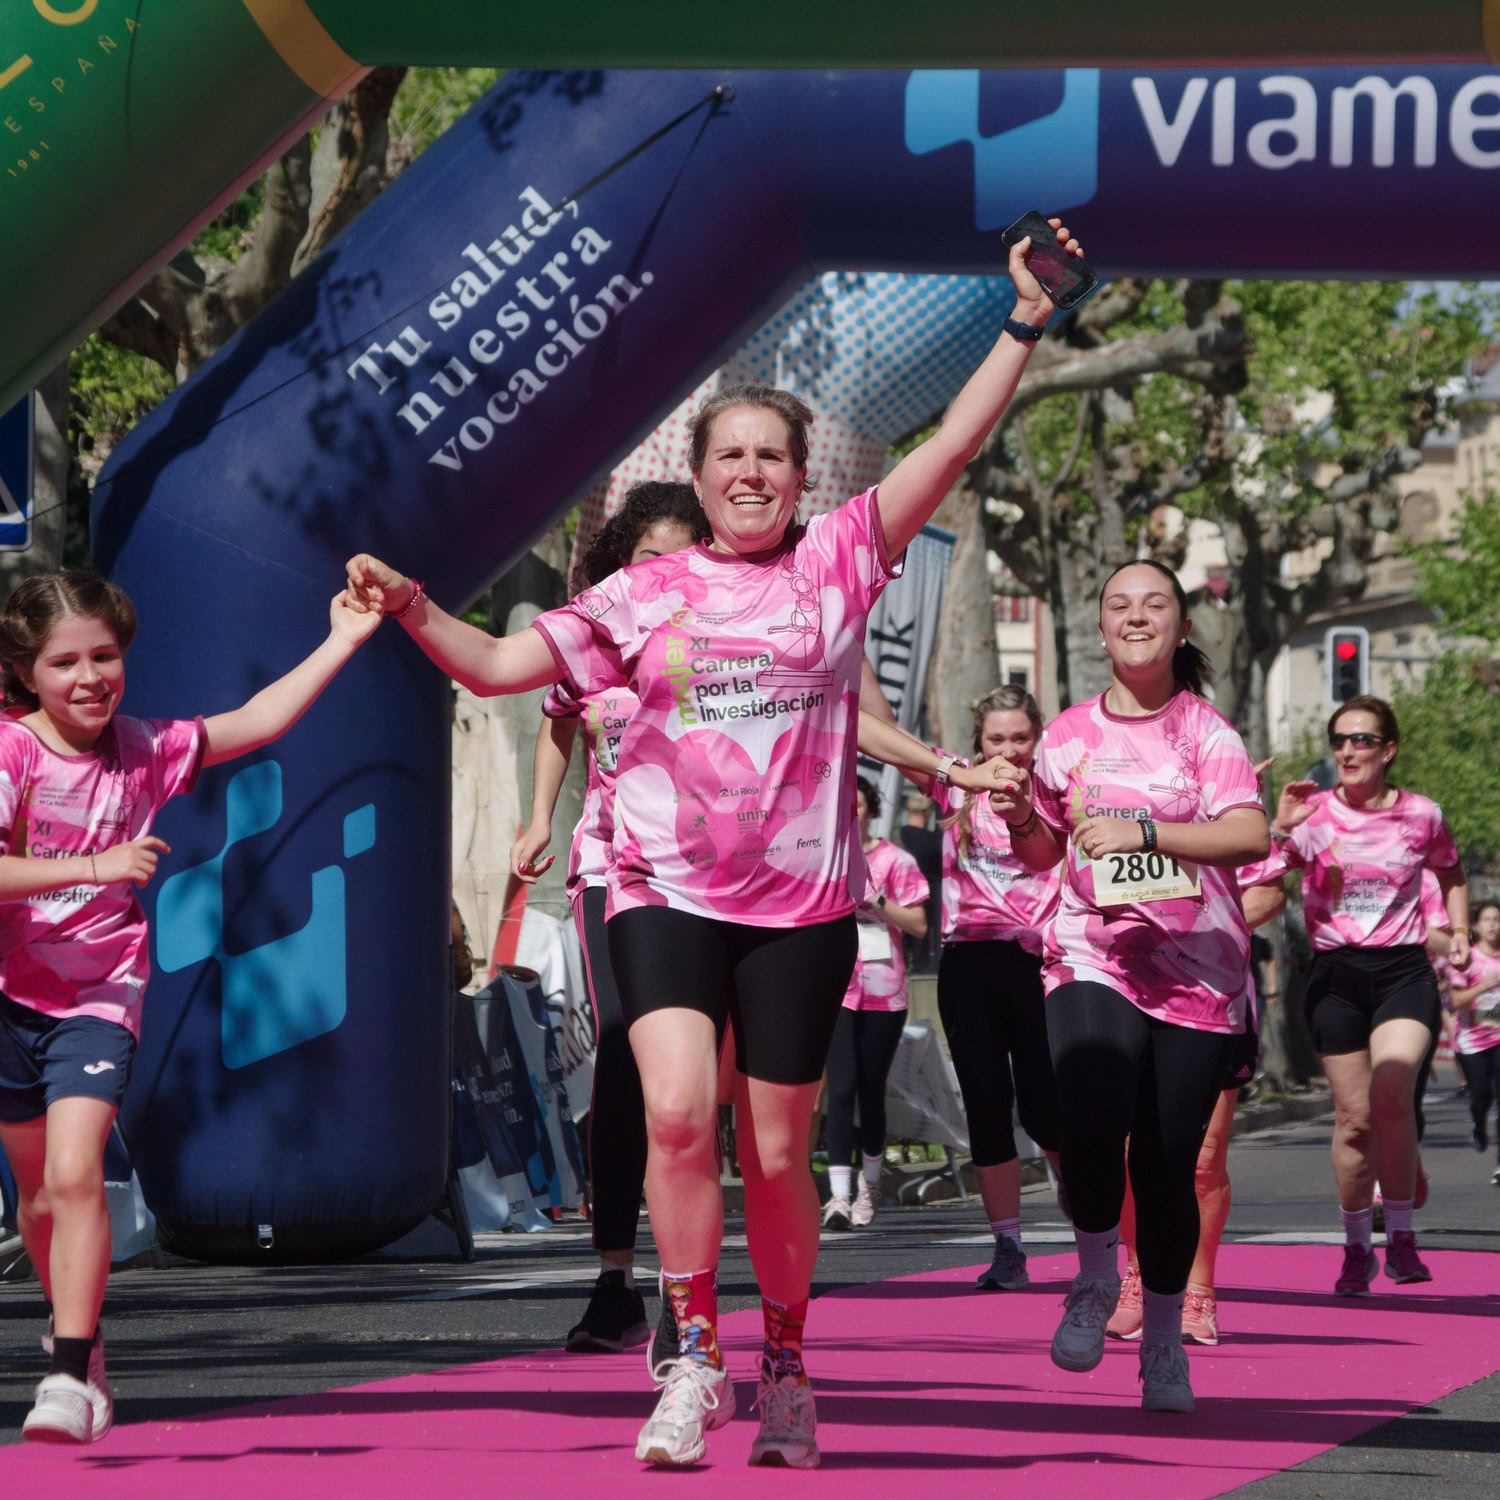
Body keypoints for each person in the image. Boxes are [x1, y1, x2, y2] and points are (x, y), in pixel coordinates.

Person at [344, 214, 1083, 1469]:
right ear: (700, 471)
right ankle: (693, 1358)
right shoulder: (645, 590)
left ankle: (785, 1364)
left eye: (771, 457)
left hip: (798, 906)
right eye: (729, 454)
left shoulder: (845, 562)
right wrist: (414, 605)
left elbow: (953, 441)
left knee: (779, 1147)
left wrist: (1023, 318)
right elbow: (509, 662)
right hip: (662, 888)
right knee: (680, 1116)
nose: (750, 473)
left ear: (803, 479)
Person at [0, 568, 377, 1445]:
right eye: (65, 663)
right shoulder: (13, 753)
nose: (90, 677)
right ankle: (82, 1345)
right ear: (25, 674)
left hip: (99, 993)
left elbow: (256, 721)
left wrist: (344, 642)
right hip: (11, 993)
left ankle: (63, 1370)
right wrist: (90, 868)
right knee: (37, 1199)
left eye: (105, 656)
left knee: (73, 1173)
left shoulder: (146, 746)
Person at [989, 558, 1269, 1416]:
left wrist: (1145, 828)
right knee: (1088, 1104)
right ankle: (1096, 1275)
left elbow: (1250, 834)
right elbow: (1043, 852)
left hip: (1198, 970)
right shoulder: (1068, 734)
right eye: (1119, 605)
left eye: (1155, 605)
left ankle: (1160, 1347)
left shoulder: (1206, 734)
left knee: (1166, 1164)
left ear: (1181, 630)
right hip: (1091, 953)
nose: (1136, 616)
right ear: (1101, 628)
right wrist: (1025, 819)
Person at [510, 482, 709, 1354]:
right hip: (614, 870)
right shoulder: (595, 643)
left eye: (677, 559)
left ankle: (688, 1283)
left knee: (699, 1091)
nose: (660, 575)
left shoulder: (728, 640)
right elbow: (557, 722)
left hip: (716, 879)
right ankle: (619, 1281)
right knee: (630, 1059)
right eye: (645, 560)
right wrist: (536, 819)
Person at [1271, 695, 1467, 1294]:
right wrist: (1279, 828)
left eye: (1361, 740)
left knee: (1390, 1092)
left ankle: (1402, 1241)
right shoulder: (1312, 813)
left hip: (1403, 971)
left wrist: (1458, 933)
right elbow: (1265, 874)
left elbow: (1451, 872)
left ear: (1388, 749)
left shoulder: (1422, 814)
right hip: (1334, 976)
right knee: (1355, 1121)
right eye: (1339, 740)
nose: (1347, 751)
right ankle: (1357, 1248)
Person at [1108, 854, 1286, 1345]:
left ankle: (1199, 1291)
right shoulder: (1107, 791)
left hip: (1213, 993)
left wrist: (1194, 925)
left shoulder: (1224, 793)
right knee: (1127, 1153)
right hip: (1129, 987)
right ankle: (1138, 1276)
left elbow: (1270, 893)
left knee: (1204, 1161)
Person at [931, 686, 1063, 1291]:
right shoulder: (954, 785)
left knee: (1046, 1107)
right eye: (995, 740)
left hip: (1040, 965)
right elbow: (877, 726)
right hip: (969, 965)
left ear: (1038, 738)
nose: (1008, 751)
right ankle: (1008, 1247)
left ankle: (1085, 1209)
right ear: (976, 744)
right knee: (986, 1106)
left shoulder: (1061, 791)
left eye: (1020, 738)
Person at [820, 774, 928, 1232]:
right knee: (839, 1089)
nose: (852, 813)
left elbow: (920, 925)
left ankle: (870, 1184)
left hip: (885, 990)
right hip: (837, 987)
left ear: (871, 809)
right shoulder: (823, 857)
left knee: (870, 1090)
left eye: (858, 805)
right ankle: (838, 1197)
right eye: (843, 806)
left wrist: (877, 900)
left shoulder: (896, 860)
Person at [1448, 901, 1500, 1186]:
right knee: (1481, 1096)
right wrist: (1482, 986)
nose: (1492, 924)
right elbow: (1454, 1001)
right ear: (1477, 926)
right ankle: (1478, 1123)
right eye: (1487, 919)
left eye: (1497, 919)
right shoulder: (1468, 959)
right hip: (1473, 1041)